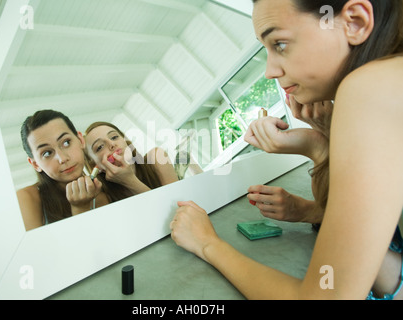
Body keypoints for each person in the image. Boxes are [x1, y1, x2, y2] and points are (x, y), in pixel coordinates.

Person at [170, 0, 403, 299]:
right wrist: (318, 146)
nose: (269, 70)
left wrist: (207, 244)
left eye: (279, 43)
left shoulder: (368, 87)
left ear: (354, 22)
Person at [17, 110, 109, 231]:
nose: (63, 158)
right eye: (47, 153)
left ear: (80, 140)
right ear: (35, 164)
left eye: (66, 142)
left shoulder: (104, 187)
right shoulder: (27, 198)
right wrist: (80, 208)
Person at [84, 122, 178, 203]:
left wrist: (130, 181)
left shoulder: (156, 157)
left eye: (114, 137)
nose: (112, 144)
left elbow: (177, 206)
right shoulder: (101, 196)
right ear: (95, 166)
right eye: (100, 147)